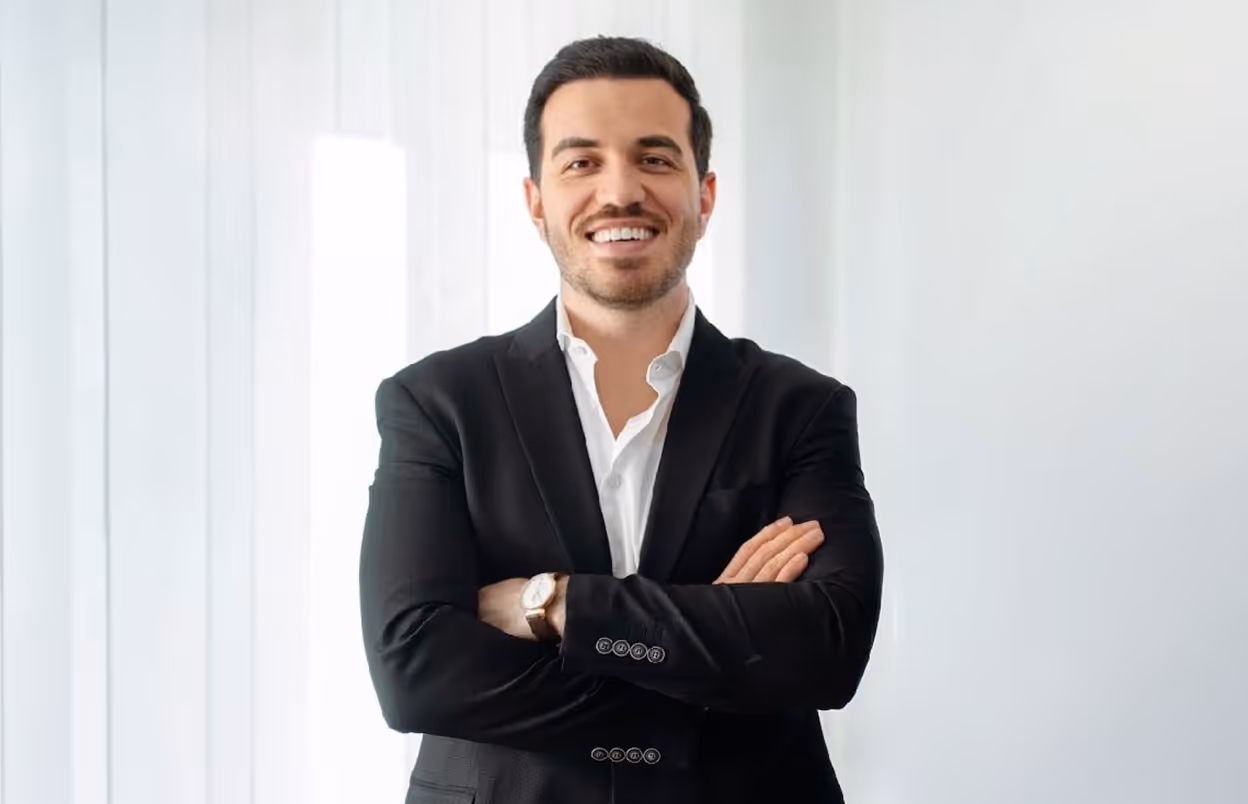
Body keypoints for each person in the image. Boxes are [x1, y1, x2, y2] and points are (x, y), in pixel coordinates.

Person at [359, 35, 883, 804]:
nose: (620, 191)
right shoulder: (436, 403)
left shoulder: (802, 409)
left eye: (655, 158)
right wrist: (713, 657)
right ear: (536, 201)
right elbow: (415, 673)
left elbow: (827, 650)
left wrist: (554, 604)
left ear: (705, 195)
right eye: (581, 162)